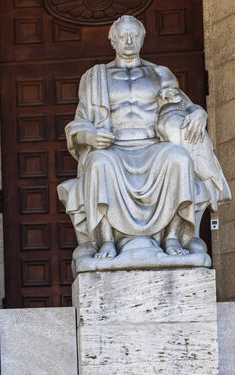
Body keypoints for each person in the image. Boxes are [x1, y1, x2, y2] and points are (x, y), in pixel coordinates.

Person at [59, 15, 230, 264]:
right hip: (112, 148)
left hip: (152, 146)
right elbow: (80, 122)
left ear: (142, 38)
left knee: (179, 157)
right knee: (97, 162)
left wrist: (199, 113)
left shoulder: (160, 73)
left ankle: (172, 237)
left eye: (134, 35)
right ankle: (106, 240)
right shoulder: (95, 77)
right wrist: (90, 135)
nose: (128, 41)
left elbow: (184, 106)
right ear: (112, 40)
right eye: (122, 36)